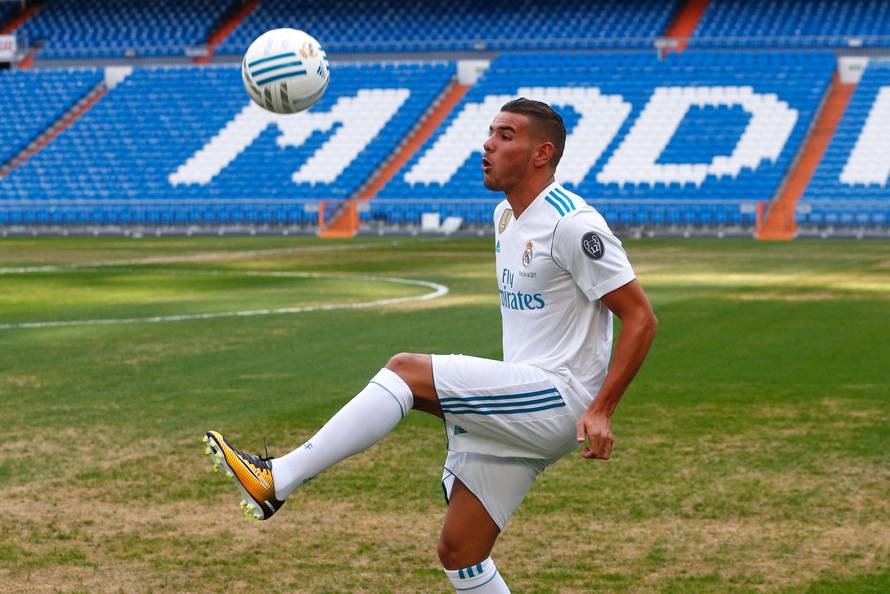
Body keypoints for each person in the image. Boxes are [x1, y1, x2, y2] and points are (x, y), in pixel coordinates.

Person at [203, 97, 657, 593]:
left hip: (557, 397)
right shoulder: (505, 217)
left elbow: (640, 318)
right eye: (490, 132)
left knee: (405, 371)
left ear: (541, 154)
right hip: (523, 401)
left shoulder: (573, 223)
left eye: (506, 136)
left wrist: (602, 408)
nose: (488, 143)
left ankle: (278, 479)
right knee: (461, 552)